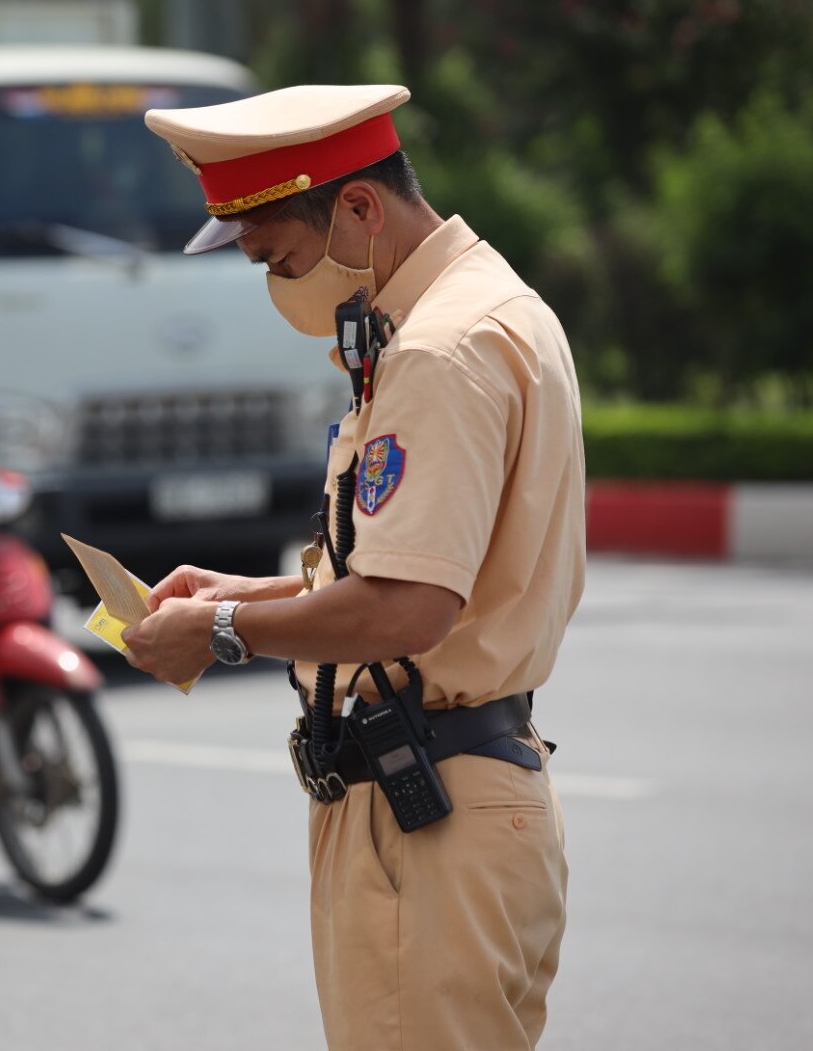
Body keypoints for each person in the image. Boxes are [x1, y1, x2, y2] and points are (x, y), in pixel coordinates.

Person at [124, 85, 585, 1050]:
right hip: (455, 801)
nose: (278, 283)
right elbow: (421, 573)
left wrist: (218, 632)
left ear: (360, 209)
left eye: (280, 257)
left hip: (430, 816)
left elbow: (410, 609)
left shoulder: (441, 348)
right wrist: (246, 591)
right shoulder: (482, 309)